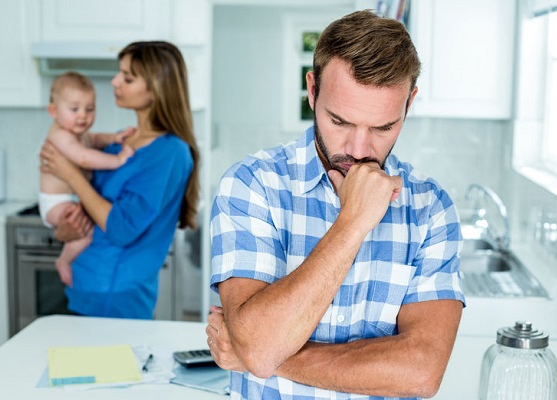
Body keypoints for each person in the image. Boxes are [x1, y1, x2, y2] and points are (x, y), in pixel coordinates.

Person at [207, 10, 465, 400]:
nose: (359, 151)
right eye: (340, 121)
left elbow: (421, 372)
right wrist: (353, 223)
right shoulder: (251, 185)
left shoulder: (432, 209)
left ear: (409, 103)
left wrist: (261, 353)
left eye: (382, 128)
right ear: (312, 90)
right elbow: (258, 346)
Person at [39, 41, 200, 319]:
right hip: (83, 284)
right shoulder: (121, 143)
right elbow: (87, 210)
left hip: (115, 294)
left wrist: (70, 174)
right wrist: (65, 230)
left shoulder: (169, 152)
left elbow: (121, 228)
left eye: (127, 77)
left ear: (156, 87)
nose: (114, 81)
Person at [39, 71, 134, 287]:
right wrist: (117, 159)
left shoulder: (77, 133)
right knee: (86, 233)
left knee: (86, 227)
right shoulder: (60, 136)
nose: (83, 115)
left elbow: (95, 139)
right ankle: (64, 260)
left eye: (89, 109)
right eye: (74, 109)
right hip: (56, 203)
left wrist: (114, 137)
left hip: (69, 197)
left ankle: (66, 259)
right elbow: (83, 158)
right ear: (53, 111)